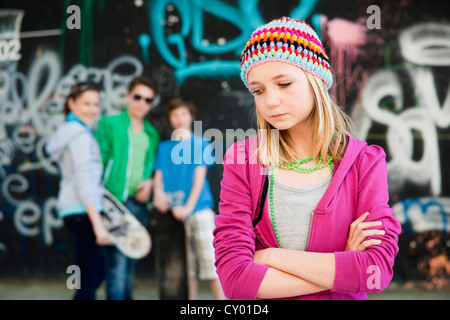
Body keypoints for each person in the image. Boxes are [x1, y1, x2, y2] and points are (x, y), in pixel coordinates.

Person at [213, 17, 402, 300]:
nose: (270, 101)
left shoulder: (364, 161)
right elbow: (236, 282)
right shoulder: (243, 161)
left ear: (316, 80)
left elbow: (375, 272)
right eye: (258, 90)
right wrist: (344, 268)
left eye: (284, 83)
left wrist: (271, 256)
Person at [152, 97, 225, 300]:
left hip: (198, 210)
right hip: (173, 216)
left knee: (212, 264)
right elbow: (158, 177)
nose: (179, 118)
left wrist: (188, 207)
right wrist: (158, 192)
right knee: (187, 270)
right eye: (175, 114)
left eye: (183, 113)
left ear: (191, 117)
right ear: (170, 118)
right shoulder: (164, 148)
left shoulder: (201, 143)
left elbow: (199, 179)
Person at [95, 75, 160, 300]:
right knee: (117, 267)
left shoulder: (152, 133)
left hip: (138, 204)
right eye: (138, 97)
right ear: (127, 96)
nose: (142, 103)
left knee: (130, 263)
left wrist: (150, 184)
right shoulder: (110, 124)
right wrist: (99, 201)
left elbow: (151, 168)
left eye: (148, 100)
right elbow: (98, 162)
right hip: (114, 203)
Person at [46, 81, 109, 300]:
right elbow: (84, 179)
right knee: (90, 275)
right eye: (86, 103)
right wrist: (98, 223)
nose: (92, 109)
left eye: (95, 104)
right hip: (83, 210)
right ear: (71, 104)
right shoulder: (79, 135)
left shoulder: (70, 131)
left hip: (75, 209)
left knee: (89, 272)